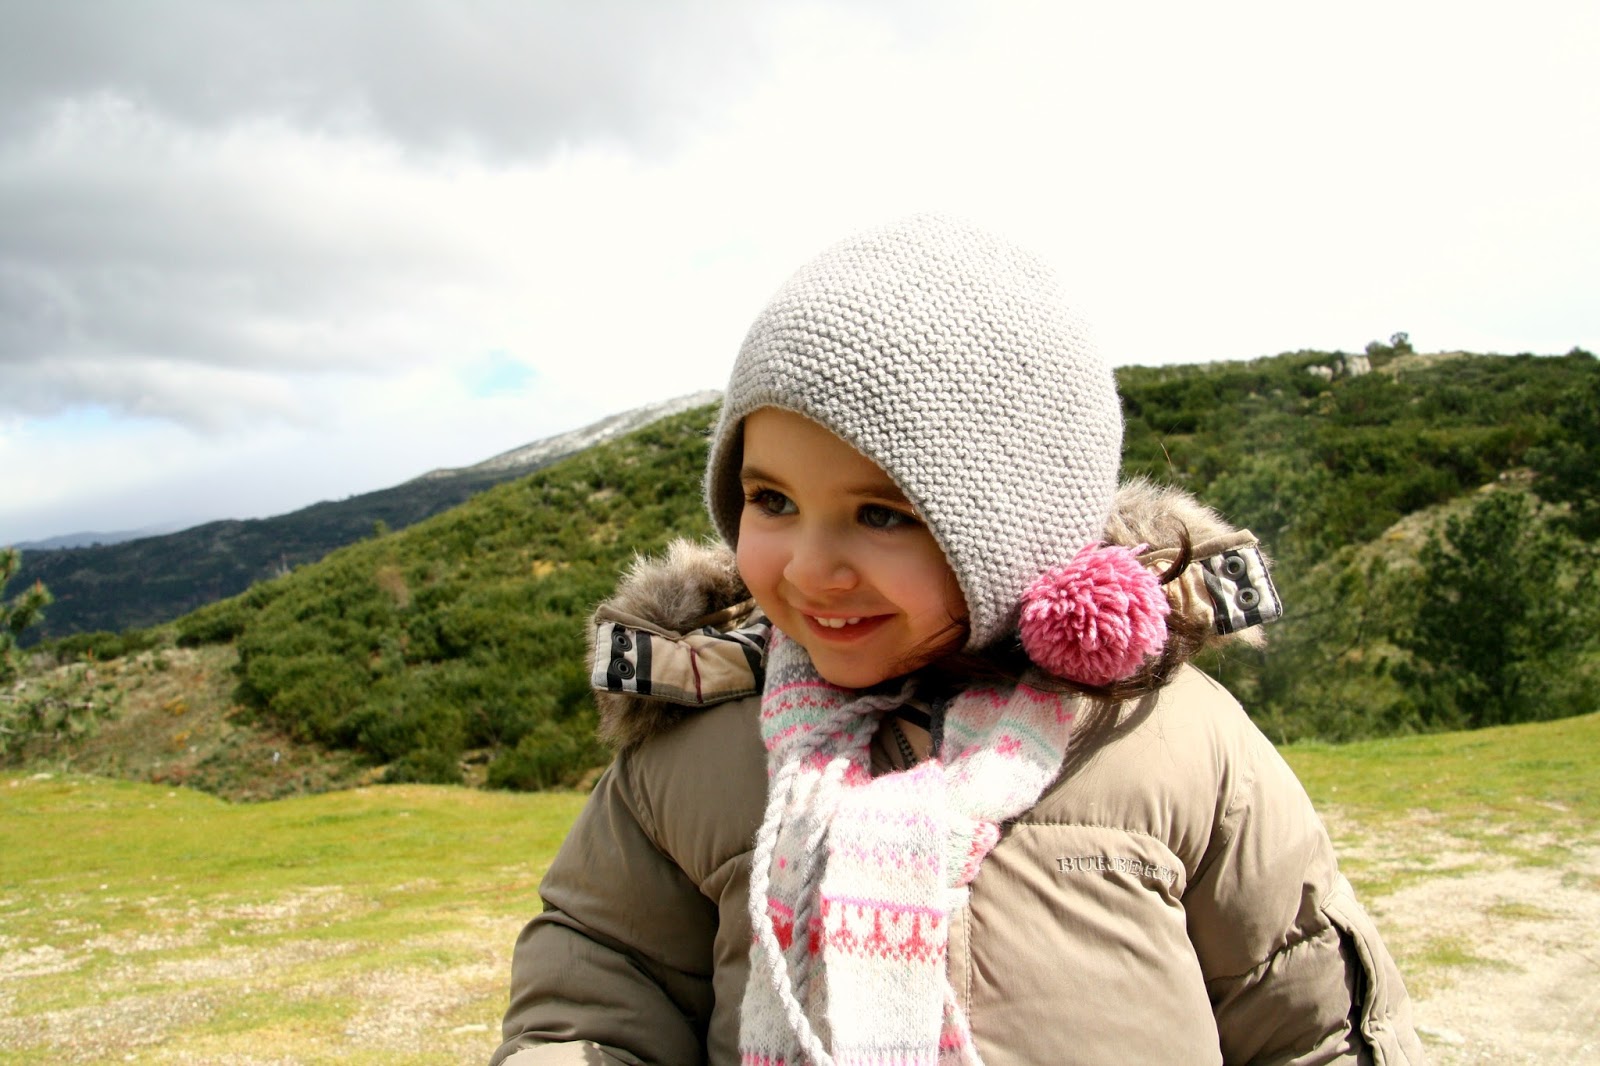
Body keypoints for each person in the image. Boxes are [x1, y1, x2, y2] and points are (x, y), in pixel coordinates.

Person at [490, 215, 1423, 1065]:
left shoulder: (1172, 741)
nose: (811, 568)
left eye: (882, 513)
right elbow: (596, 996)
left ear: (1017, 533)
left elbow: (1312, 1020)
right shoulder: (693, 759)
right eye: (771, 499)